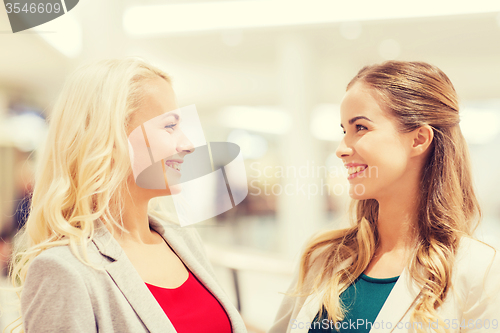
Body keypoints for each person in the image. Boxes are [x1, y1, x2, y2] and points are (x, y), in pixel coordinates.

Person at [9, 58, 247, 333]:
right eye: (170, 126)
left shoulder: (182, 239)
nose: (188, 145)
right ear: (110, 138)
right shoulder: (63, 269)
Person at [267, 61, 500, 333]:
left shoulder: (479, 270)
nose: (341, 149)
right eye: (344, 130)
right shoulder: (323, 257)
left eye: (361, 128)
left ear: (419, 140)